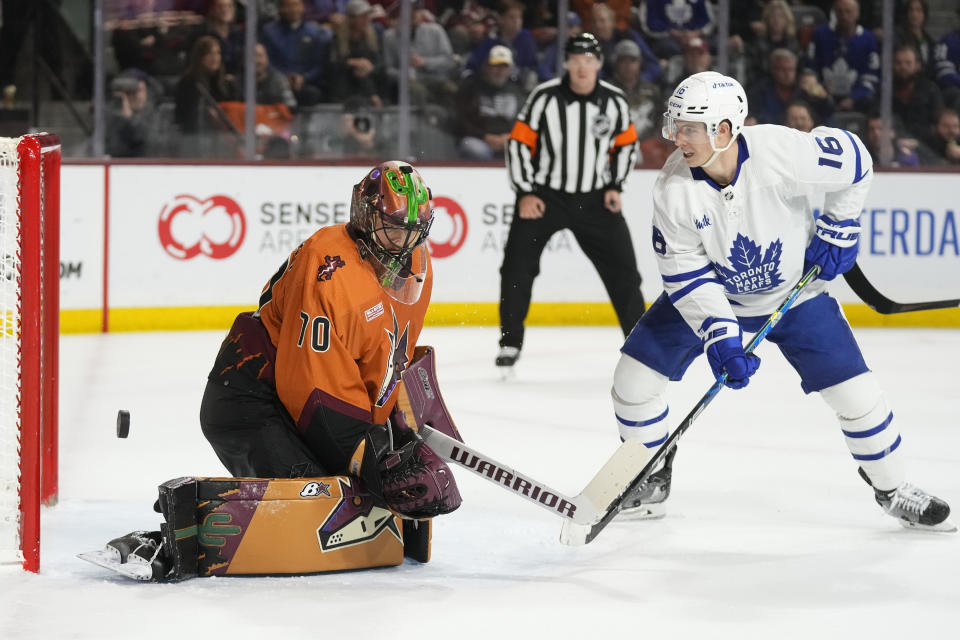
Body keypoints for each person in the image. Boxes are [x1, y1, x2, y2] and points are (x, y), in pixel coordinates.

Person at [609, 70, 953, 532]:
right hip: (719, 296)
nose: (678, 137)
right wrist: (721, 337)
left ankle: (892, 489)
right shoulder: (672, 189)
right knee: (633, 381)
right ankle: (648, 480)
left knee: (858, 398)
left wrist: (841, 225)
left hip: (795, 295)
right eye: (677, 125)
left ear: (724, 130)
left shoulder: (779, 151)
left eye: (689, 128)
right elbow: (687, 275)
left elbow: (856, 159)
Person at [199, 160, 460, 512]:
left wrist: (396, 431)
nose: (403, 243)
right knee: (320, 503)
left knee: (359, 500)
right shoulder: (327, 267)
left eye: (413, 231)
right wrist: (374, 460)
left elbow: (383, 359)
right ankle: (193, 515)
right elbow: (308, 385)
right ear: (365, 216)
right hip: (251, 396)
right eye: (392, 229)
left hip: (305, 401)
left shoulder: (414, 268)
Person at [497, 33, 644, 370]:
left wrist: (615, 186)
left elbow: (626, 144)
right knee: (517, 267)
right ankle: (510, 341)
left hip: (596, 199)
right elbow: (518, 143)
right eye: (576, 60)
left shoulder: (614, 101)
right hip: (546, 197)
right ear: (566, 62)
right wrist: (526, 192)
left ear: (598, 64)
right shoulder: (544, 97)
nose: (582, 67)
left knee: (625, 272)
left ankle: (640, 343)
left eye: (589, 60)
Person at [454, 44, 525, 160]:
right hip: (480, 140)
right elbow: (462, 121)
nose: (500, 71)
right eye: (496, 66)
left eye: (504, 67)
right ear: (486, 66)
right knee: (473, 148)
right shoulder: (471, 87)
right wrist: (485, 137)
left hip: (510, 140)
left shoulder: (517, 91)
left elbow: (526, 120)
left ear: (510, 69)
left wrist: (511, 137)